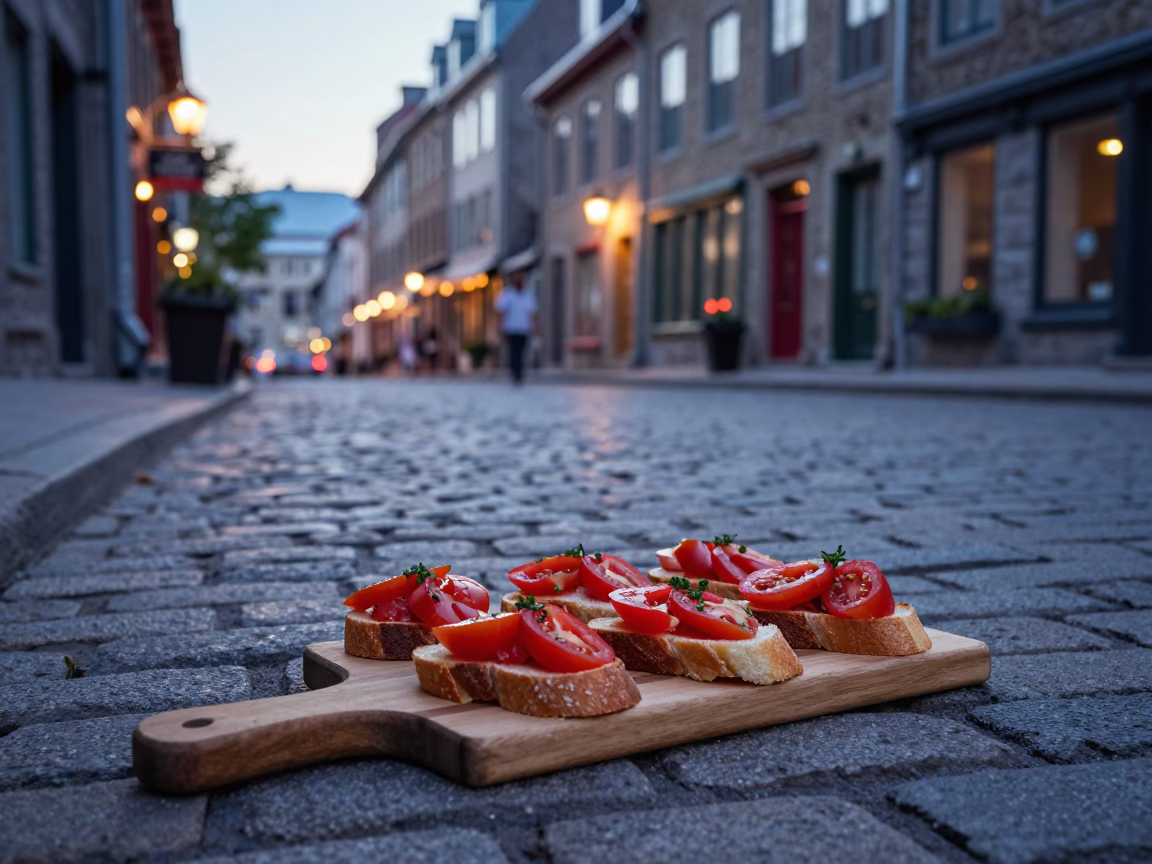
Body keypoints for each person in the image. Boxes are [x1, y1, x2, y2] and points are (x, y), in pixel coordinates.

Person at [493, 273, 536, 384]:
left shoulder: (528, 296)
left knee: (521, 352)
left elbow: (531, 313)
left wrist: (533, 326)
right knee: (513, 352)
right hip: (511, 328)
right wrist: (499, 326)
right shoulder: (508, 295)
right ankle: (515, 373)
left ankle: (520, 373)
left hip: (524, 329)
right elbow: (501, 312)